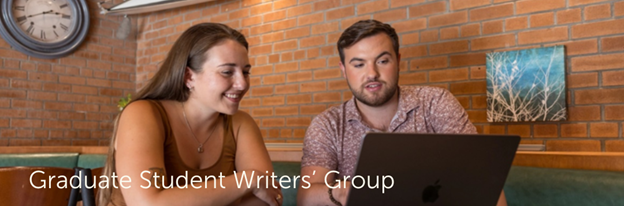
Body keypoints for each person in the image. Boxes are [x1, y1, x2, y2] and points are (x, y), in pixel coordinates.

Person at [296, 19, 507, 206]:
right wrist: (342, 191)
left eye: (382, 61)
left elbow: (481, 175)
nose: (372, 74)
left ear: (398, 60)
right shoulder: (327, 124)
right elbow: (306, 197)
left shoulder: (436, 103)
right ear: (343, 70)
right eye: (359, 64)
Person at [98, 23, 282, 206]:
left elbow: (268, 199)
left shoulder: (241, 124)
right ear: (189, 77)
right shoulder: (143, 114)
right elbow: (148, 204)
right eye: (227, 72)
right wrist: (248, 180)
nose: (242, 84)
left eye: (245, 72)